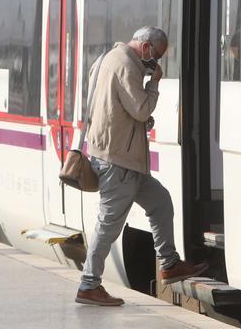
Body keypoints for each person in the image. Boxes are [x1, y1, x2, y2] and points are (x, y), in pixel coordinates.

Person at [75, 26, 208, 307]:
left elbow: (116, 107)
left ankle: (169, 263)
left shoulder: (107, 58)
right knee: (108, 225)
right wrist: (154, 83)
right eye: (155, 57)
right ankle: (88, 284)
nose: (154, 64)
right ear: (146, 47)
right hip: (118, 161)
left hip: (123, 158)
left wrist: (135, 124)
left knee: (160, 202)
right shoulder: (126, 64)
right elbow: (141, 109)